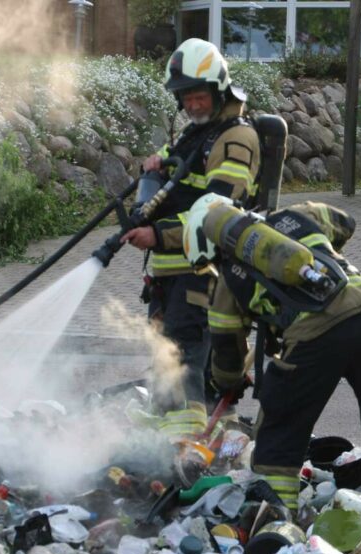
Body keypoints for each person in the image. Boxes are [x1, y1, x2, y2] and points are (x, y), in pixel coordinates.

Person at [181, 193, 361, 539]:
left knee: (280, 432)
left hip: (314, 334)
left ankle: (275, 527)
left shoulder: (228, 280)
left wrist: (227, 382)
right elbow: (346, 222)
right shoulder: (298, 215)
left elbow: (228, 351)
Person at [120, 38, 261, 440]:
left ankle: (185, 443)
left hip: (203, 271)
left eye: (200, 96)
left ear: (219, 91)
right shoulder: (192, 135)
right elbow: (166, 186)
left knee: (183, 354)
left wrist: (156, 234)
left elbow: (217, 215)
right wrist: (152, 170)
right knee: (165, 351)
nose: (193, 105)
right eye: (186, 98)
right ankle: (168, 429)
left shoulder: (235, 139)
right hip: (169, 272)